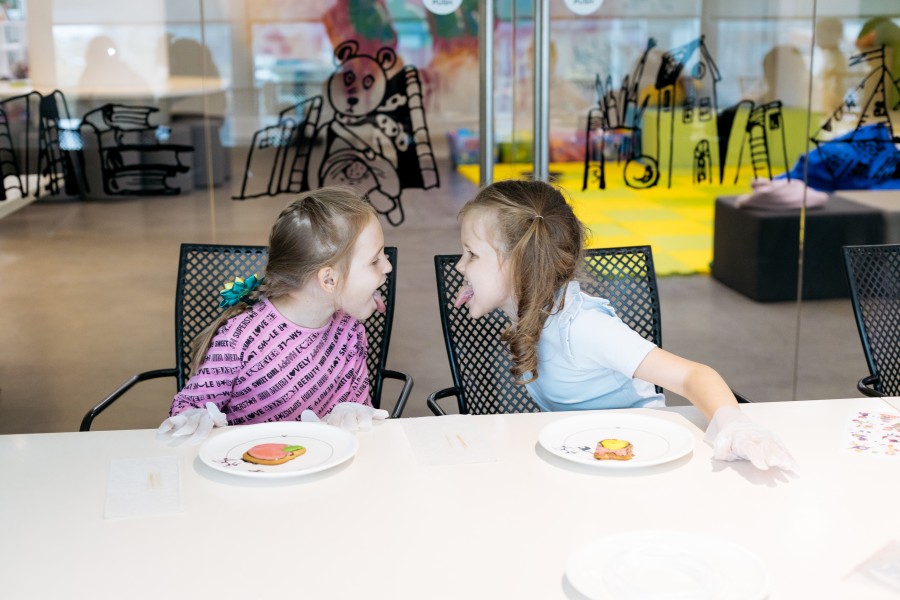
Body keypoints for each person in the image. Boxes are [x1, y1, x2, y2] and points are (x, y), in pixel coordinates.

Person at [454, 179, 795, 471]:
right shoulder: (528, 308)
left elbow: (693, 376)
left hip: (639, 460)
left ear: (519, 263)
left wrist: (735, 427)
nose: (459, 266)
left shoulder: (583, 328)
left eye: (472, 254)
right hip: (586, 455)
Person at [158, 187, 392, 443]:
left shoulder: (350, 331)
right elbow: (186, 410)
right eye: (375, 260)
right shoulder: (239, 337)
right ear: (329, 280)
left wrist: (356, 414)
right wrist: (194, 417)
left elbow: (361, 418)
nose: (388, 266)